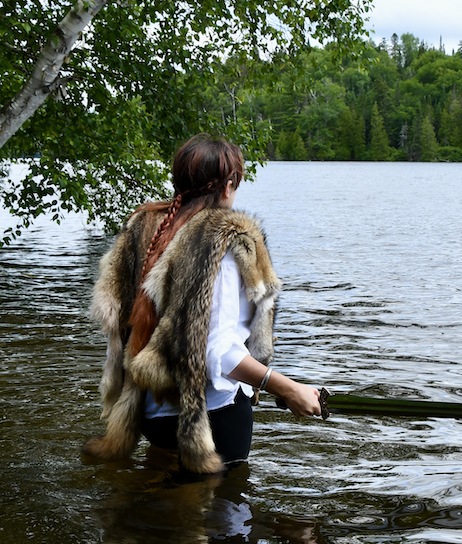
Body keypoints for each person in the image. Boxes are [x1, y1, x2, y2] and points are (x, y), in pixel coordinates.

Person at [82, 133, 322, 473]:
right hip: (207, 417)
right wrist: (287, 387)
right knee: (226, 517)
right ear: (227, 185)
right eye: (236, 182)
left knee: (166, 500)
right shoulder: (220, 245)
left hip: (148, 410)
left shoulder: (147, 228)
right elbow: (219, 351)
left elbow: (118, 323)